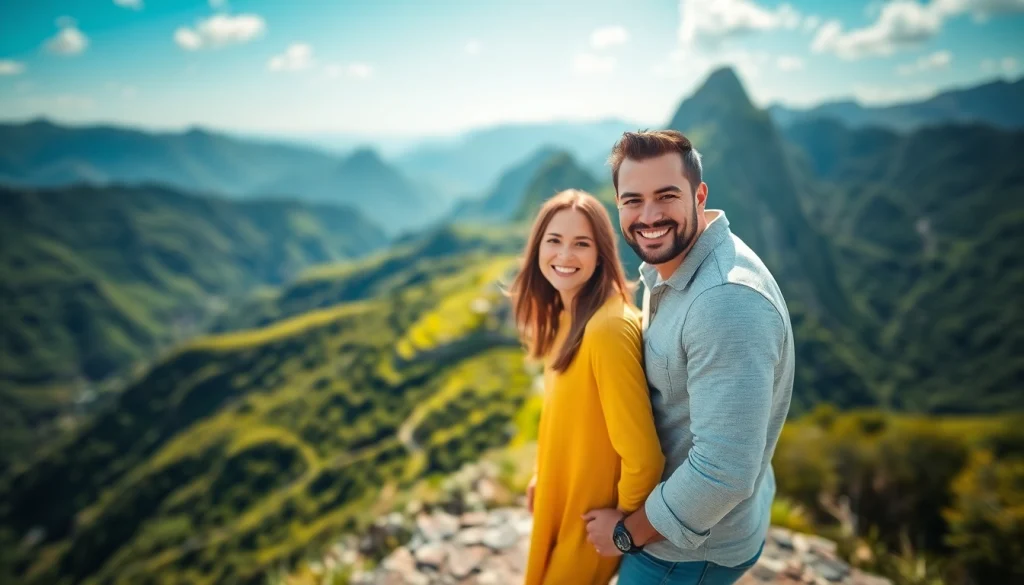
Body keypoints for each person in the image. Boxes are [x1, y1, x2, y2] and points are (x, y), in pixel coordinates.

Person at [583, 130, 795, 585]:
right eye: (633, 200)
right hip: (691, 533)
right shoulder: (676, 267)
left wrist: (626, 534)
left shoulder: (724, 301)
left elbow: (723, 473)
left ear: (699, 196)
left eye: (666, 196)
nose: (649, 216)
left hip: (683, 553)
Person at [511, 189, 666, 585]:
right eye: (554, 240)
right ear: (538, 247)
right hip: (561, 506)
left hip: (587, 527)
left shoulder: (607, 330)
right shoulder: (569, 318)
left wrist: (624, 525)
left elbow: (644, 458)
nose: (565, 255)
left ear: (601, 255)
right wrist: (543, 474)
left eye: (581, 243)